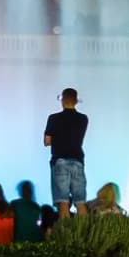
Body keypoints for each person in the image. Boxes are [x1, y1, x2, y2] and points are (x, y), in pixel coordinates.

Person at [44, 87, 89, 218]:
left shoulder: (53, 118)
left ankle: (65, 234)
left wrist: (58, 138)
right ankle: (83, 233)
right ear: (76, 101)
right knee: (80, 202)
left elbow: (47, 141)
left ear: (62, 100)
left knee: (63, 202)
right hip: (78, 161)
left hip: (60, 161)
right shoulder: (83, 119)